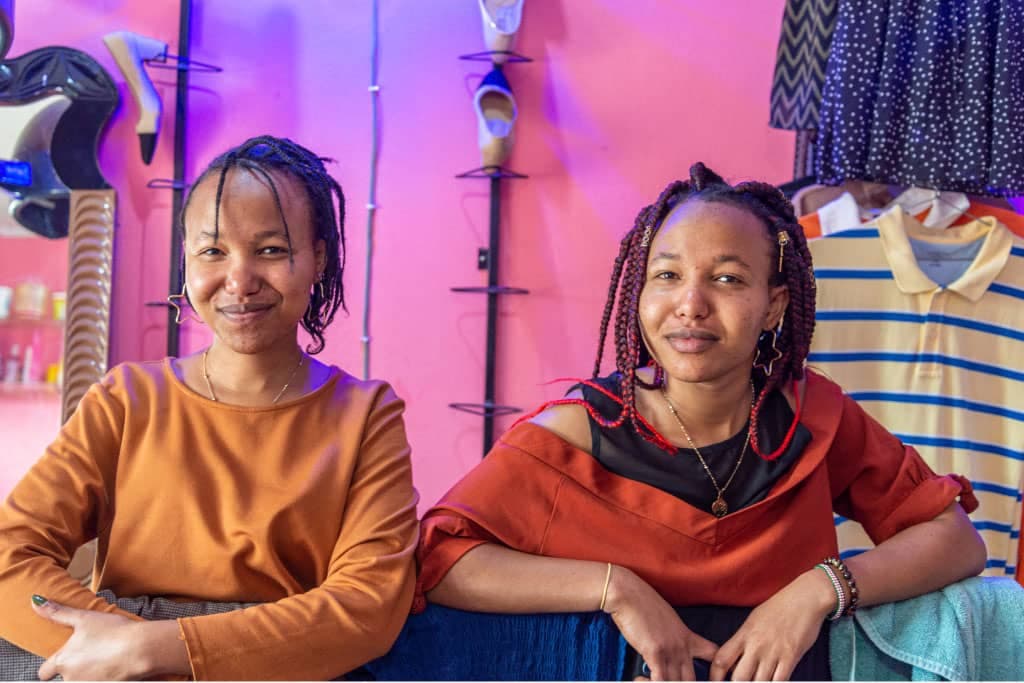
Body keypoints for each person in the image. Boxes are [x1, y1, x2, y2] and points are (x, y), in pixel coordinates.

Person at [415, 164, 986, 681]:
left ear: (774, 306)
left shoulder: (815, 419)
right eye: (666, 276)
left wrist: (818, 590)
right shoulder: (574, 434)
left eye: (729, 279)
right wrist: (616, 590)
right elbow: (439, 560)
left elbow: (954, 539)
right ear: (639, 292)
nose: (690, 304)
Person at [0, 135, 419, 680]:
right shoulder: (125, 399)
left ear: (318, 258)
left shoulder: (366, 415)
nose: (239, 281)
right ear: (187, 261)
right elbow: (10, 556)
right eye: (212, 251)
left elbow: (368, 607)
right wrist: (125, 648)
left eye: (270, 249)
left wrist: (157, 651)